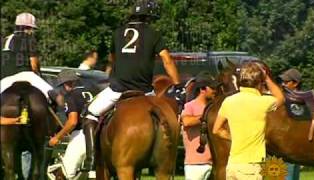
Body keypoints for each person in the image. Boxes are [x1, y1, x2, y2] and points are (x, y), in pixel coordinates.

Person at [81, 0, 181, 173]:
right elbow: (167, 60)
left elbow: (113, 60)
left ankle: (91, 162)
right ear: (148, 17)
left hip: (118, 89)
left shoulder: (118, 33)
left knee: (89, 115)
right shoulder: (154, 33)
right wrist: (178, 85)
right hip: (145, 91)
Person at [212, 62, 284, 180]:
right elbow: (280, 98)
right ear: (259, 83)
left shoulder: (228, 101)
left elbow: (216, 130)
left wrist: (234, 138)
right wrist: (267, 78)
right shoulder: (262, 102)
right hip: (251, 166)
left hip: (232, 165)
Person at [48, 70, 96, 179]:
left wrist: (57, 137)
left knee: (65, 173)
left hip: (82, 134)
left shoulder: (71, 96)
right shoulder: (95, 90)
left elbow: (73, 121)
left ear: (67, 84)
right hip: (101, 131)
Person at [1, 12, 53, 100]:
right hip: (25, 74)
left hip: (4, 79)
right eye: (31, 28)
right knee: (53, 94)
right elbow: (34, 65)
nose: (32, 31)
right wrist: (38, 74)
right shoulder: (29, 38)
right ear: (27, 28)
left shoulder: (4, 40)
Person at [278, 68, 314, 180]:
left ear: (295, 83)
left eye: (286, 82)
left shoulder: (304, 99)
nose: (283, 84)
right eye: (282, 81)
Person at [181, 72, 221, 180]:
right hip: (196, 163)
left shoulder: (215, 108)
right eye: (212, 88)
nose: (215, 91)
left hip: (215, 162)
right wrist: (206, 116)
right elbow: (186, 122)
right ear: (202, 89)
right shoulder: (190, 106)